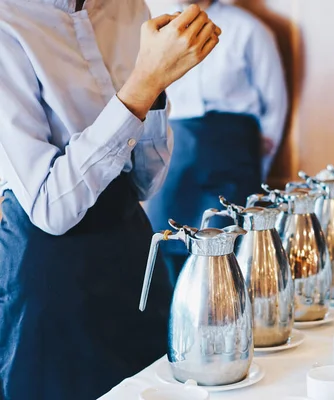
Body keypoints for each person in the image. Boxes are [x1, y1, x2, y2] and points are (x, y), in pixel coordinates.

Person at [0, 1, 220, 399]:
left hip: (134, 255)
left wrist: (154, 90)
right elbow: (51, 207)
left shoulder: (129, 7)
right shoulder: (6, 23)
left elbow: (143, 184)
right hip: (50, 276)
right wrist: (142, 85)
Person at [146, 0, 288, 285]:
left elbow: (275, 105)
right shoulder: (155, 32)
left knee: (227, 255)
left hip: (231, 158)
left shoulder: (249, 29)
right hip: (174, 156)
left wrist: (253, 166)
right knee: (168, 247)